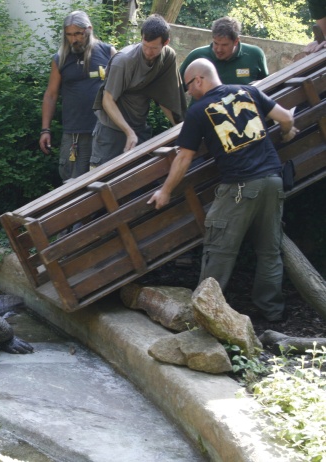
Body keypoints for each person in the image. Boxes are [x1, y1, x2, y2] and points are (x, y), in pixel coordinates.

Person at [147, 58, 299, 322]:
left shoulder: (199, 110)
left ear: (198, 80)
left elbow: (184, 158)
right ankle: (271, 312)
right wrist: (287, 134)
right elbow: (286, 117)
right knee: (269, 251)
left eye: (188, 87)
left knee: (219, 250)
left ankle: (204, 316)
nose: (189, 93)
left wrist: (165, 190)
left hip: (239, 187)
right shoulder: (248, 91)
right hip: (273, 181)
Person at [90, 14, 186, 168]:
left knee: (141, 184)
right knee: (102, 181)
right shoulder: (124, 61)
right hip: (111, 131)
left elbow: (167, 98)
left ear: (166, 43)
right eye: (145, 45)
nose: (148, 52)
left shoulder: (167, 57)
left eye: (154, 48)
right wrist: (128, 132)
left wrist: (181, 128)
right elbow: (107, 100)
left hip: (139, 128)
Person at [40, 11, 116, 180]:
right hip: (74, 133)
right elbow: (51, 95)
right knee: (71, 185)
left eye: (77, 34)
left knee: (104, 181)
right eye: (69, 35)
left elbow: (121, 91)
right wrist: (45, 130)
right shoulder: (60, 59)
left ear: (89, 29)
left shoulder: (108, 52)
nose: (73, 39)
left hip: (103, 131)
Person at [178, 17, 268, 99]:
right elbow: (176, 91)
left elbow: (267, 88)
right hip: (202, 114)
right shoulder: (197, 56)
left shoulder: (255, 55)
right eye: (216, 43)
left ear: (236, 41)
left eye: (225, 45)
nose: (219, 49)